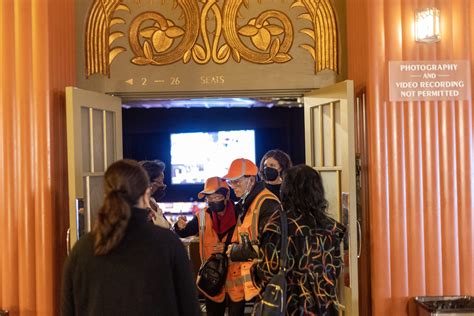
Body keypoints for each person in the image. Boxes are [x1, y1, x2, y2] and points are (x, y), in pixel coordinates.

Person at [61, 159, 200, 316]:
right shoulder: (168, 244)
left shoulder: (82, 249)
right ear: (146, 194)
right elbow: (190, 309)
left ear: (106, 194)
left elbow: (68, 310)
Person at [252, 165, 345, 315]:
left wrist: (253, 266)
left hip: (290, 307)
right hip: (323, 307)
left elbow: (266, 274)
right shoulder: (330, 227)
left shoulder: (277, 226)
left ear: (287, 190)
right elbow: (335, 270)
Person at [174, 177, 245, 316]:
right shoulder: (202, 216)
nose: (213, 201)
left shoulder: (241, 214)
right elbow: (184, 233)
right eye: (209, 198)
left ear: (227, 195)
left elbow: (249, 243)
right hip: (212, 281)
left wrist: (228, 247)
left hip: (237, 283)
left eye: (217, 196)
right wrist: (179, 227)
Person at [222, 158, 280, 302]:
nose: (233, 186)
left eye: (237, 181)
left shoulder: (267, 203)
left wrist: (236, 251)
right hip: (258, 283)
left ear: (251, 180)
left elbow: (271, 248)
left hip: (268, 285)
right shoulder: (247, 203)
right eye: (230, 182)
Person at [139, 159, 172, 229]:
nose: (163, 185)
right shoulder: (140, 208)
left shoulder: (153, 202)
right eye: (160, 182)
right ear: (148, 183)